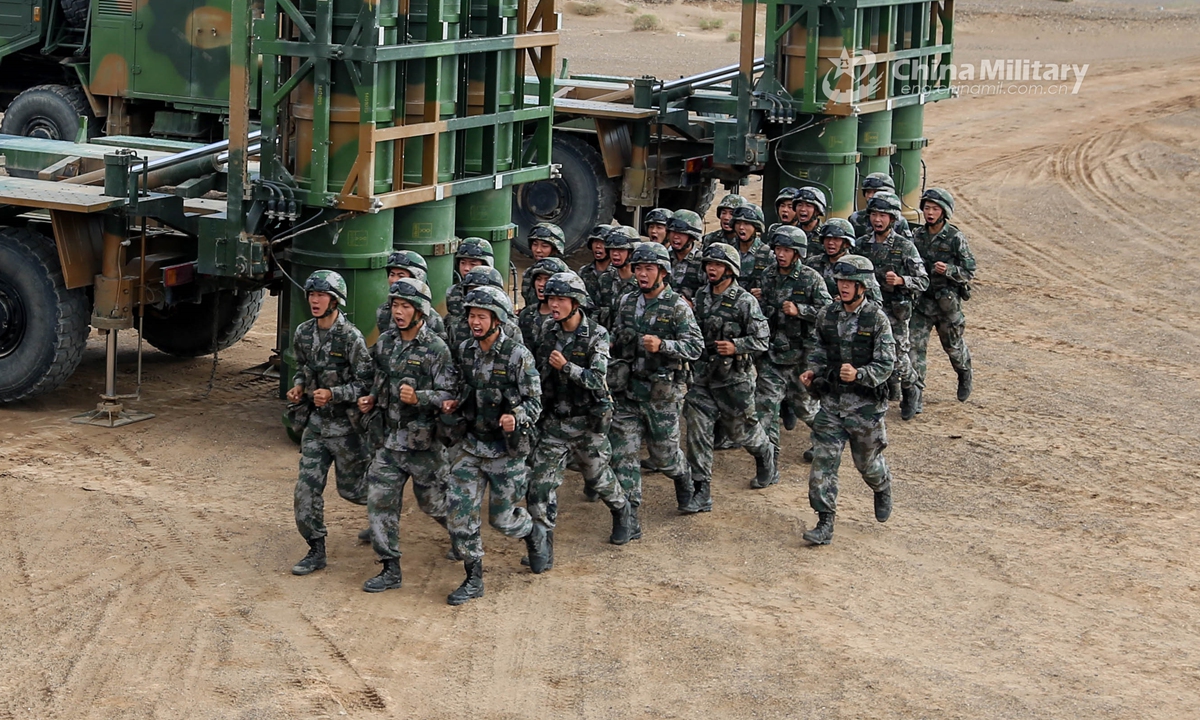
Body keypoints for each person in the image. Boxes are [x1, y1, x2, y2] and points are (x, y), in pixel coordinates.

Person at [442, 286, 545, 605]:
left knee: (502, 520)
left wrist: (516, 416)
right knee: (459, 513)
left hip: (505, 450)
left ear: (497, 320)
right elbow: (456, 385)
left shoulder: (517, 355)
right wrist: (452, 402)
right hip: (471, 446)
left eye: (482, 317)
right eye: (472, 316)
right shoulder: (465, 350)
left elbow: (535, 402)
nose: (475, 322)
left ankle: (532, 532)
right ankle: (473, 578)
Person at [356, 279, 457, 592]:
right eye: (395, 306)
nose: (398, 312)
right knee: (379, 499)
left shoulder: (436, 348)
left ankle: (463, 535)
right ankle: (390, 568)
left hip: (424, 445)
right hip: (391, 441)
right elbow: (380, 377)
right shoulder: (386, 341)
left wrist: (420, 398)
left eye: (405, 307)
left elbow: (450, 395)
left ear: (420, 311)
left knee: (433, 504)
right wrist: (372, 397)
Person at [529, 271, 638, 558]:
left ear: (576, 303)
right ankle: (541, 546)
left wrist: (566, 367)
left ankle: (622, 510)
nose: (554, 305)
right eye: (551, 299)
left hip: (586, 423)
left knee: (598, 477)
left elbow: (597, 379)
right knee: (540, 486)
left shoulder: (597, 334)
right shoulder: (547, 330)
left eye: (560, 299)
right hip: (554, 423)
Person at [800, 255, 895, 546]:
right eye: (840, 281)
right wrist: (812, 371)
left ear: (862, 286)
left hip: (865, 408)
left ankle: (882, 486)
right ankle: (824, 521)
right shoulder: (827, 315)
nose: (843, 287)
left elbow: (887, 363)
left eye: (849, 282)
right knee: (823, 464)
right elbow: (818, 349)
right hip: (831, 404)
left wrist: (860, 374)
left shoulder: (876, 319)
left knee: (867, 464)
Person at [287, 270, 373, 576]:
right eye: (312, 295)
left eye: (321, 295)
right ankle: (316, 549)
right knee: (305, 491)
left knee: (353, 491)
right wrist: (299, 386)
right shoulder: (303, 333)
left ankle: (383, 513)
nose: (315, 300)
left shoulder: (350, 337)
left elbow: (366, 384)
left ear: (335, 300)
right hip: (316, 426)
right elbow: (302, 368)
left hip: (347, 429)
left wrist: (334, 394)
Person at [608, 242, 703, 513]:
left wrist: (663, 345)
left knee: (665, 457)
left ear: (663, 272)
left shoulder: (677, 307)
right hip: (628, 391)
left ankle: (684, 480)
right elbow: (617, 334)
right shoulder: (627, 302)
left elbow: (695, 347)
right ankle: (628, 516)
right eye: (638, 268)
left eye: (649, 268)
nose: (642, 274)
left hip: (663, 395)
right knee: (623, 455)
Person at [681, 243, 775, 513]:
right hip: (703, 379)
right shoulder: (701, 296)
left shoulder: (745, 301)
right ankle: (701, 490)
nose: (712, 269)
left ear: (730, 270)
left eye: (718, 265)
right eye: (709, 264)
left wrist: (737, 346)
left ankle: (764, 454)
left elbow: (762, 339)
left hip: (734, 381)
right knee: (697, 432)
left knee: (742, 432)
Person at [756, 225, 832, 465]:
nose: (781, 254)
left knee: (804, 407)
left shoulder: (811, 278)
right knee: (765, 406)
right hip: (773, 352)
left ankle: (826, 440)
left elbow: (828, 312)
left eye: (787, 250)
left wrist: (801, 310)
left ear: (797, 253)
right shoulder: (768, 275)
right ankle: (768, 463)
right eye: (778, 248)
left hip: (802, 354)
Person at [857, 191, 928, 419]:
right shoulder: (861, 245)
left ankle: (911, 388)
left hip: (895, 311)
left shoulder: (905, 247)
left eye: (883, 215)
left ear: (893, 219)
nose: (877, 220)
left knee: (896, 358)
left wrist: (901, 280)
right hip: (869, 309)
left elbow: (923, 281)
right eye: (874, 214)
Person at [910, 188, 976, 411]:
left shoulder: (955, 238)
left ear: (944, 212)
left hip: (947, 305)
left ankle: (964, 373)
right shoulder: (917, 236)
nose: (930, 213)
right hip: (922, 303)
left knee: (953, 347)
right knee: (914, 349)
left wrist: (949, 270)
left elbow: (969, 270)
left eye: (935, 209)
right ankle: (915, 395)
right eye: (927, 208)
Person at [445, 266, 517, 359]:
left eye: (482, 289)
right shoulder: (456, 325)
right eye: (471, 290)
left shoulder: (510, 329)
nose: (477, 294)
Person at [376, 250, 445, 339]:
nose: (394, 280)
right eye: (392, 274)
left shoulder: (432, 318)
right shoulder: (383, 311)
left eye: (401, 276)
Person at [518, 257, 571, 350]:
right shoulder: (527, 314)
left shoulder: (567, 317)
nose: (541, 284)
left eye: (547, 279)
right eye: (538, 279)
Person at [594, 225, 640, 329]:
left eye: (621, 249)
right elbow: (596, 312)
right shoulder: (605, 280)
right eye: (612, 249)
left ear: (632, 252)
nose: (615, 254)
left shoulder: (642, 283)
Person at [446, 237, 495, 319]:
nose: (466, 268)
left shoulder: (496, 295)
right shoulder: (452, 292)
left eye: (473, 264)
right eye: (463, 263)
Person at [730, 203, 773, 293]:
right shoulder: (729, 251)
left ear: (756, 227)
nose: (741, 227)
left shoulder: (767, 255)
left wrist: (764, 292)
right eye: (738, 223)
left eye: (746, 223)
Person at [521, 223, 567, 307]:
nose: (538, 250)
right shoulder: (529, 273)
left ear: (555, 249)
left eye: (544, 246)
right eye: (535, 244)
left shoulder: (566, 277)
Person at [665, 208, 705, 302]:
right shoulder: (664, 258)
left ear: (692, 237)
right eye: (673, 232)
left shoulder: (702, 262)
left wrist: (693, 303)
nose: (675, 236)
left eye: (681, 233)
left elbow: (712, 294)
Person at [578, 224, 612, 304]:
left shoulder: (618, 273)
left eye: (602, 242)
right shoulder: (584, 272)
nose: (598, 246)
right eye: (595, 242)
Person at [792, 186, 827, 260]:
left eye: (808, 206)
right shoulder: (791, 232)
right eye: (799, 205)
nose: (802, 209)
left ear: (818, 211)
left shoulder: (826, 235)